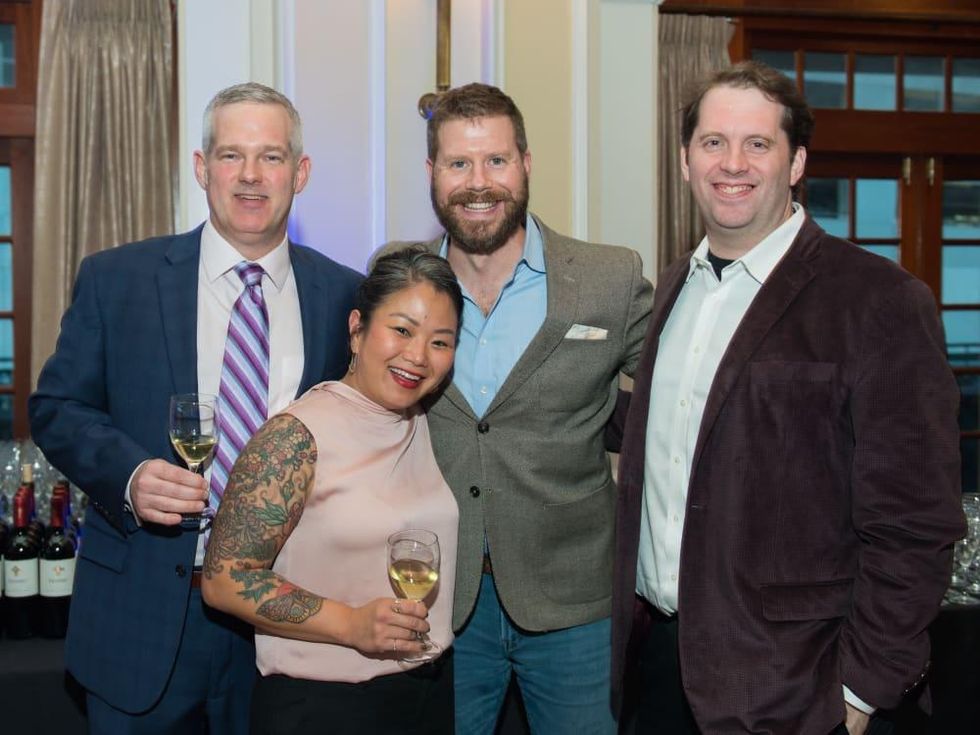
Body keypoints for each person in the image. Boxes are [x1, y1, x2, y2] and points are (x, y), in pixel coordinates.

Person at [610, 61, 965, 735]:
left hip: (796, 683)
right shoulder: (672, 289)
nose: (732, 163)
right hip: (660, 668)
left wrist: (861, 691)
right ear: (686, 161)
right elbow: (684, 434)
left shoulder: (879, 302)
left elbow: (916, 523)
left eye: (758, 144)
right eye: (713, 142)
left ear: (796, 161)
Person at [28, 82, 362, 733]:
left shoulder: (343, 294)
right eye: (231, 155)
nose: (250, 176)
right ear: (201, 166)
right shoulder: (116, 279)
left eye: (270, 157)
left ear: (301, 172)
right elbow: (57, 408)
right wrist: (127, 475)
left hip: (283, 623)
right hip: (144, 616)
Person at [380, 82, 653, 734]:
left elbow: (683, 397)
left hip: (576, 606)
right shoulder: (399, 276)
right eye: (458, 164)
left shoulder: (609, 278)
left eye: (496, 161)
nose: (479, 183)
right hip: (434, 600)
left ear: (526, 163)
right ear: (431, 173)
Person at [200, 247, 461, 735]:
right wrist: (351, 625)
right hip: (323, 705)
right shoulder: (295, 438)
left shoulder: (422, 423)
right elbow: (224, 580)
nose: (418, 356)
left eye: (440, 342)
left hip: (426, 694)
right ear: (357, 329)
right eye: (401, 330)